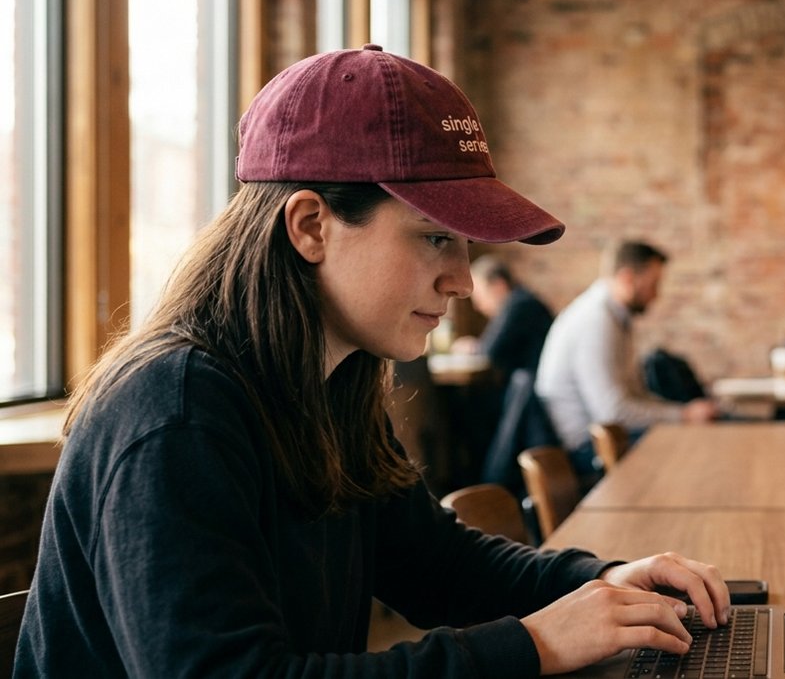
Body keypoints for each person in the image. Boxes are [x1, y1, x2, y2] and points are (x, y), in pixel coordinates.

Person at [15, 45, 730, 677]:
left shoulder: (332, 383)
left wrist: (605, 581)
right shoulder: (175, 414)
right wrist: (534, 643)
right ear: (310, 226)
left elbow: (436, 565)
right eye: (433, 239)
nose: (463, 281)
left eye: (466, 247)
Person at [535, 240, 717, 469]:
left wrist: (684, 413)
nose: (655, 295)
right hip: (588, 452)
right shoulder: (595, 321)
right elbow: (612, 414)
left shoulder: (616, 318)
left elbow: (635, 396)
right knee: (695, 453)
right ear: (627, 278)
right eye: (653, 285)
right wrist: (683, 415)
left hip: (610, 441)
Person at [456, 254, 555, 378]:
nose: (477, 306)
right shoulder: (520, 300)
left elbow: (489, 351)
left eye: (479, 296)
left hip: (533, 384)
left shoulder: (519, 305)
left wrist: (472, 348)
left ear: (499, 286)